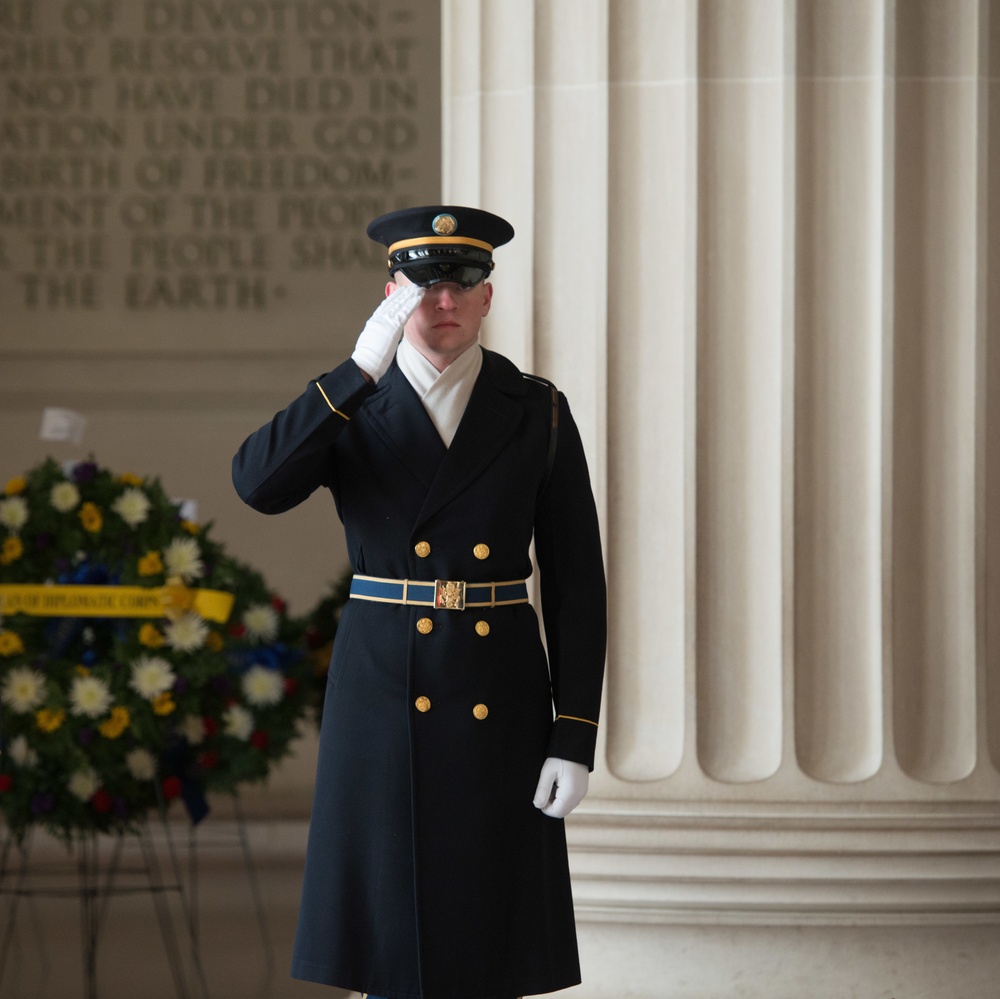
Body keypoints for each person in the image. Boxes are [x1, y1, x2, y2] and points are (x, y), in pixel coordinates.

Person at [232, 206, 607, 999]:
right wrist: (350, 373)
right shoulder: (350, 404)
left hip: (497, 695)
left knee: (486, 938)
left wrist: (574, 733)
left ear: (487, 298)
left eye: (462, 282)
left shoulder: (535, 407)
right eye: (424, 282)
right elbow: (256, 485)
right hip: (382, 693)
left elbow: (576, 582)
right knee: (392, 949)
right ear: (393, 293)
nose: (444, 300)